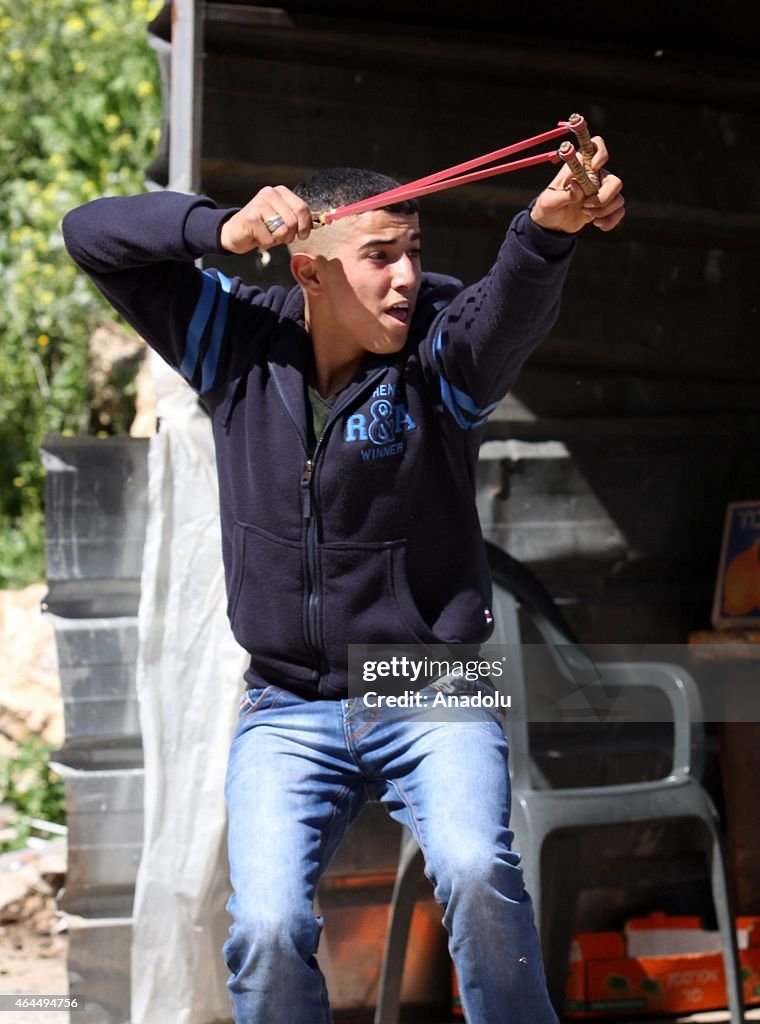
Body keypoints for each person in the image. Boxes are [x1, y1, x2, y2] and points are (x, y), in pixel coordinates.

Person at [62, 139, 624, 1023]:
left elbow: (508, 312)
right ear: (311, 271)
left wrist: (546, 231)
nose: (406, 277)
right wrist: (220, 226)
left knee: (479, 873)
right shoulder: (234, 343)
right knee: (268, 924)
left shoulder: (442, 354)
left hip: (431, 680)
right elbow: (90, 232)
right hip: (285, 700)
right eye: (379, 256)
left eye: (415, 253)